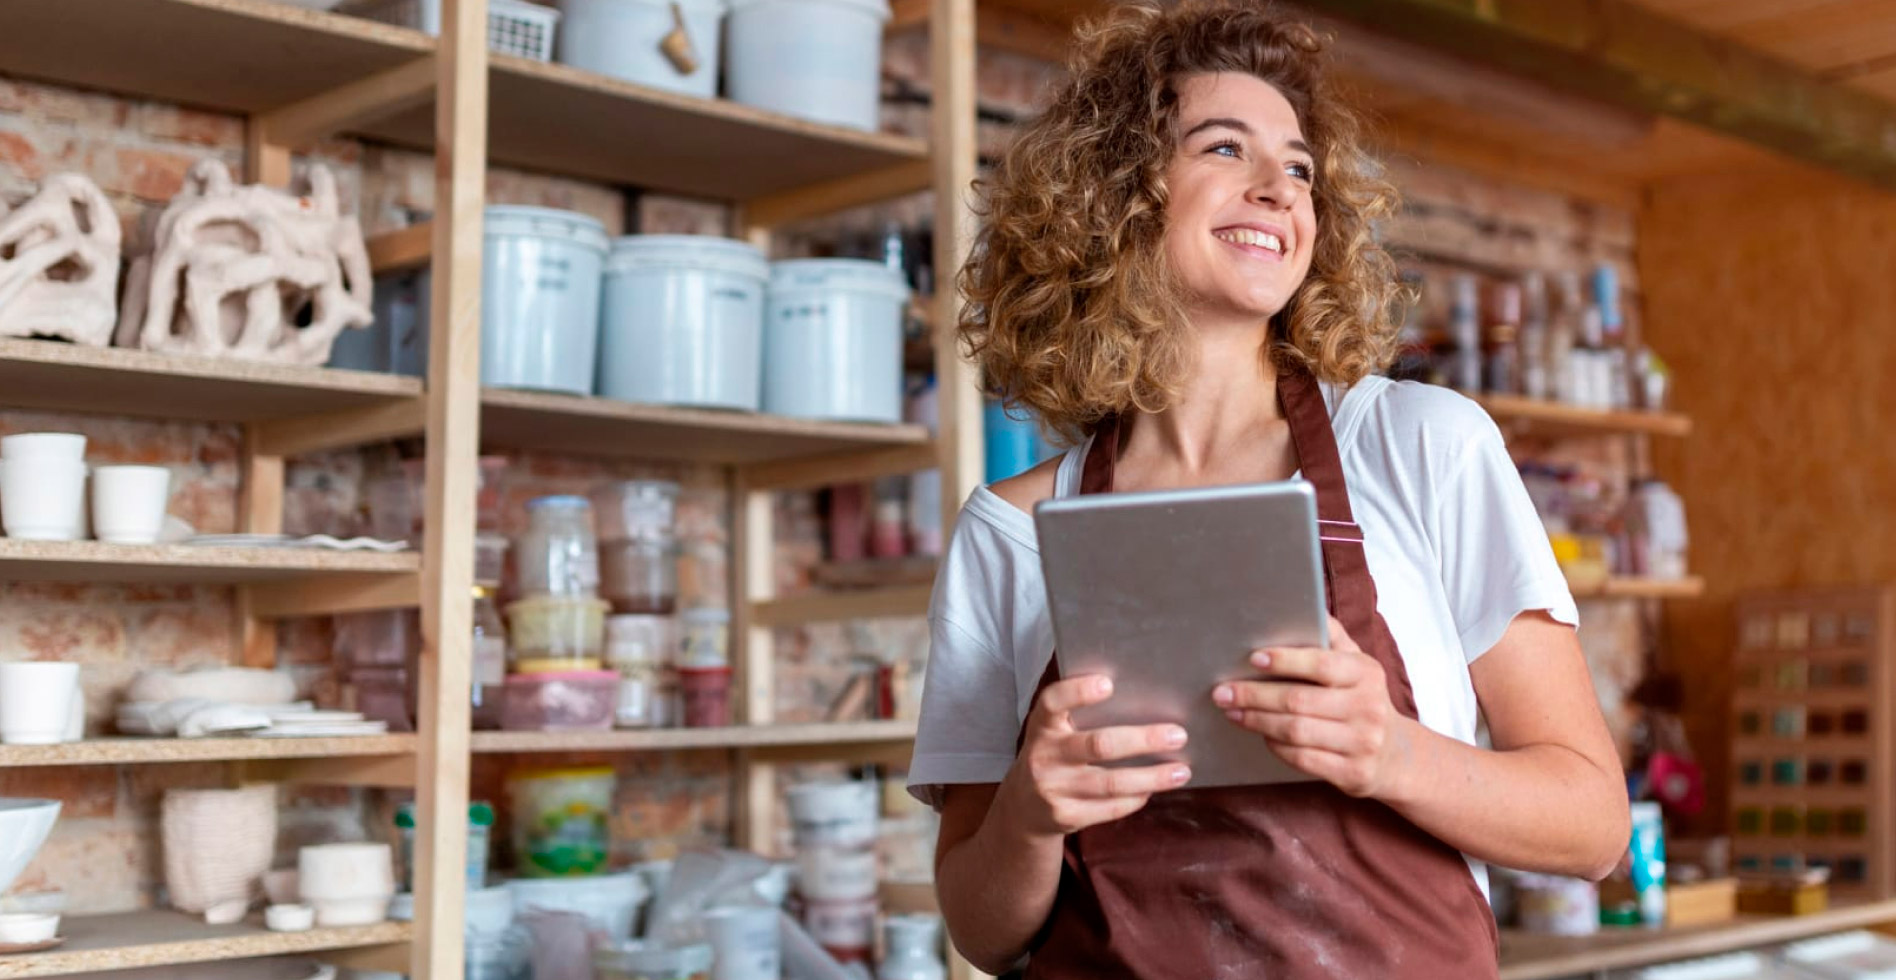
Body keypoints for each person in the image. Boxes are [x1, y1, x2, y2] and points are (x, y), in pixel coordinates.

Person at [906, 3, 1631, 977]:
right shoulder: (1009, 530)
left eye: (1298, 167)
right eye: (1225, 146)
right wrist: (1032, 811)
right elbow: (982, 929)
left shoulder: (1424, 448)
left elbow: (1593, 826)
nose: (1277, 189)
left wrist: (1392, 753)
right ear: (1117, 192)